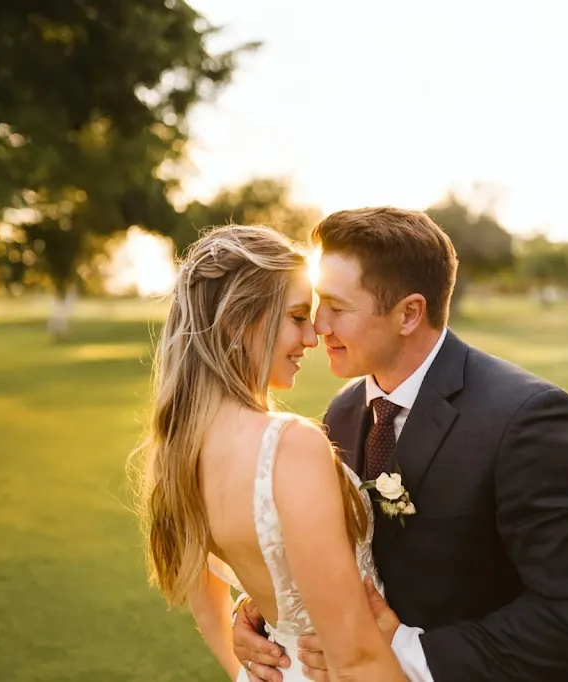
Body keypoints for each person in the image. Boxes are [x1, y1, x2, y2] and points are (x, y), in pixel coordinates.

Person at [232, 207, 568, 682]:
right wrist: (264, 615)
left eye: (338, 309)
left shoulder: (525, 417)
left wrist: (413, 655)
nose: (318, 327)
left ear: (409, 313)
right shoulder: (341, 414)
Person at [131, 225, 408, 682]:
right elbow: (355, 656)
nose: (312, 337)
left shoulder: (180, 450)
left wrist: (245, 672)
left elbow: (209, 606)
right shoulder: (290, 446)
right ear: (240, 321)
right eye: (298, 317)